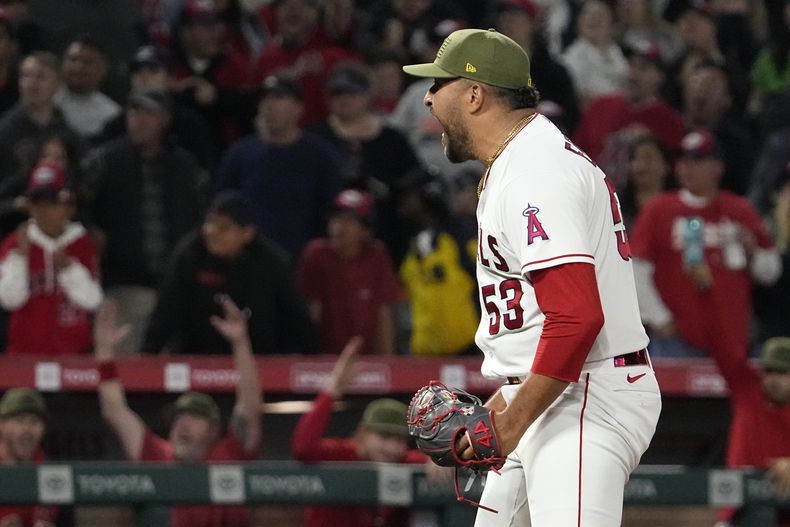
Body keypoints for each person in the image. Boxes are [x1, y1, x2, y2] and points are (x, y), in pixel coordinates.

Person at [402, 28, 661, 526]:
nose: (429, 97)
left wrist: (506, 427)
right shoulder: (519, 162)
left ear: (475, 94)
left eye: (440, 85)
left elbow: (576, 318)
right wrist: (503, 405)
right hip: (551, 390)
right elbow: (542, 323)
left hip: (587, 395)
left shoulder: (535, 172)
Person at [95, 296, 261, 527]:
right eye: (179, 418)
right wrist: (104, 351)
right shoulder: (155, 453)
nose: (182, 424)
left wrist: (241, 343)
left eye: (194, 418)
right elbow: (115, 410)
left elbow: (250, 408)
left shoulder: (229, 454)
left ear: (214, 430)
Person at [631, 130, 781, 368]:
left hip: (732, 341)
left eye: (697, 161)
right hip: (676, 341)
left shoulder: (739, 209)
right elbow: (636, 270)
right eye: (683, 161)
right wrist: (660, 319)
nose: (687, 168)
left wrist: (752, 249)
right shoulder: (659, 210)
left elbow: (770, 272)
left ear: (717, 167)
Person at [80, 89, 205, 354]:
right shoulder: (104, 161)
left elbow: (197, 222)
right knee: (123, 371)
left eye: (148, 113)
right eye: (133, 112)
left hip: (176, 290)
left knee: (174, 374)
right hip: (124, 287)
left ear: (165, 120)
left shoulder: (184, 167)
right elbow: (81, 211)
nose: (139, 119)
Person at [143, 190, 314, 355]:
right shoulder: (189, 256)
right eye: (209, 223)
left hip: (259, 359)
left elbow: (297, 320)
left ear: (247, 234)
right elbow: (165, 314)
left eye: (224, 227)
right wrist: (146, 359)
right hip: (196, 357)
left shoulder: (273, 263)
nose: (212, 232)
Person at [291, 337, 429, 527]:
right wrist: (332, 389)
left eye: (399, 440)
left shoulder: (403, 461)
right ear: (362, 434)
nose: (391, 447)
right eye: (384, 436)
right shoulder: (340, 455)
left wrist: (441, 459)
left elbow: (439, 462)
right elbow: (303, 447)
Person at [0, 161, 102, 355]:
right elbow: (9, 299)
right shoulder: (14, 243)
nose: (43, 210)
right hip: (24, 358)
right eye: (37, 201)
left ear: (69, 206)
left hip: (75, 358)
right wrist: (20, 258)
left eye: (53, 202)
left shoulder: (82, 244)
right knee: (19, 388)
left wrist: (68, 268)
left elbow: (93, 300)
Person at [297, 189, 400, 355]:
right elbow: (312, 312)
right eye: (336, 219)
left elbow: (383, 312)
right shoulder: (317, 254)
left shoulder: (376, 255)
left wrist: (388, 362)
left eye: (349, 221)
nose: (339, 227)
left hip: (368, 361)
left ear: (367, 231)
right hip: (325, 358)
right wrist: (311, 360)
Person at [719, 337, 790, 527]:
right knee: (761, 516)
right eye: (769, 371)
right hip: (742, 508)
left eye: (783, 372)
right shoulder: (747, 390)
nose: (774, 379)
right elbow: (720, 340)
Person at [0, 388, 57, 527]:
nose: (27, 430)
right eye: (20, 420)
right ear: (1, 424)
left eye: (34, 421)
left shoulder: (54, 474)